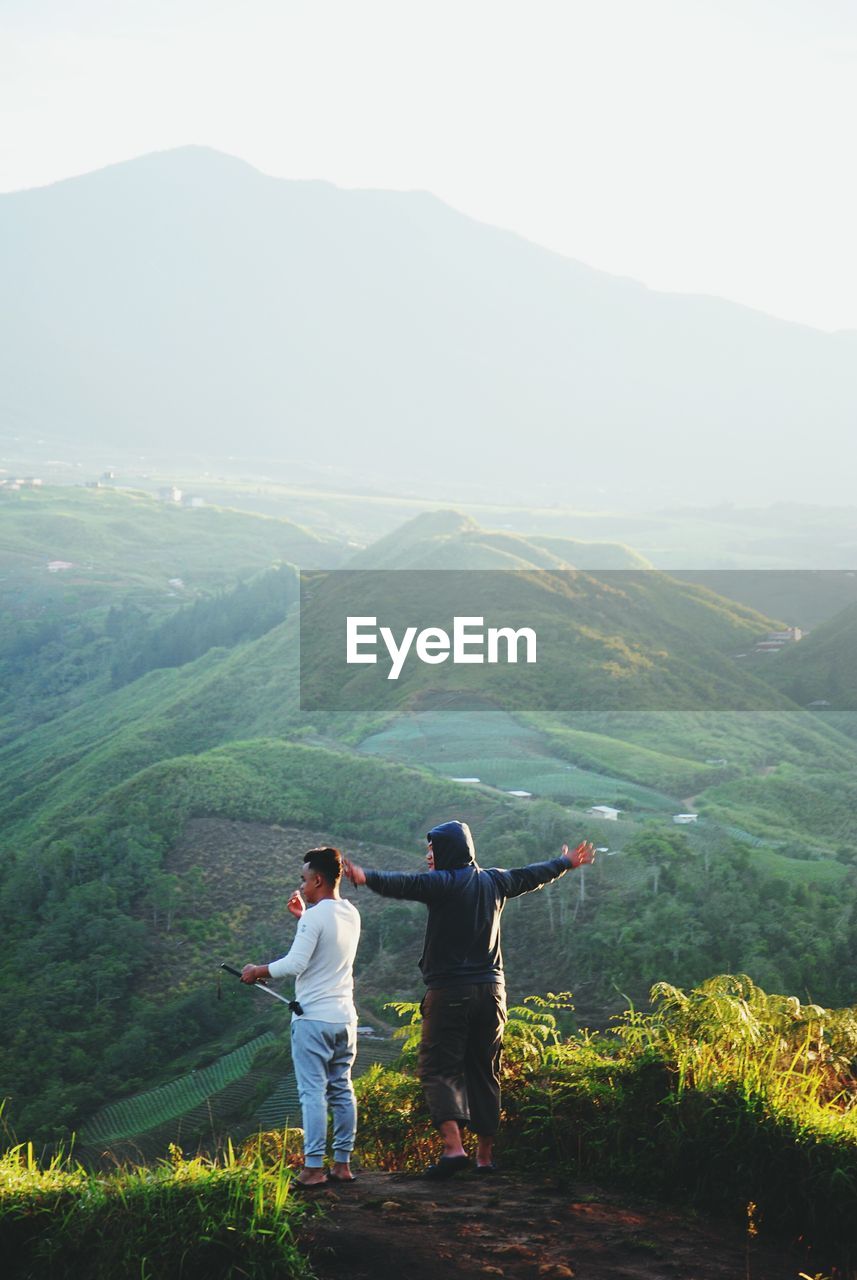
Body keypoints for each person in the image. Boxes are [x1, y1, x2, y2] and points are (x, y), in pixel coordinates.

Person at [343, 820, 594, 1179]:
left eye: (433, 850)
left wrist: (366, 876)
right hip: (493, 993)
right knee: (484, 1070)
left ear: (448, 851)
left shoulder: (443, 883)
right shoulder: (494, 880)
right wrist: (565, 863)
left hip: (450, 992)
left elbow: (405, 884)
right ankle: (485, 1158)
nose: (428, 857)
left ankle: (453, 1148)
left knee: (437, 1067)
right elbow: (531, 875)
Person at [242, 845, 361, 1187]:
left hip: (313, 1021)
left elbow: (295, 964)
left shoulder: (314, 917)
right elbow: (329, 945)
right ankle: (342, 1165)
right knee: (342, 1089)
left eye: (304, 879)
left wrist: (256, 970)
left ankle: (311, 1169)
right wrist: (302, 918)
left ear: (318, 879)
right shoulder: (350, 913)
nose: (302, 885)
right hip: (345, 1019)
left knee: (312, 1092)